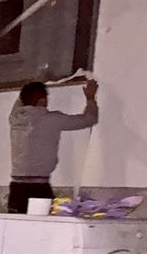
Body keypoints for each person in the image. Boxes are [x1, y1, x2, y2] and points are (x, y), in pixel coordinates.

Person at [8, 78, 99, 214]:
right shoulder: (53, 120)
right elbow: (89, 119)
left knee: (14, 225)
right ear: (42, 101)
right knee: (43, 226)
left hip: (16, 189)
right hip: (39, 188)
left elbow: (21, 100)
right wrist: (90, 97)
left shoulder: (15, 119)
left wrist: (32, 88)